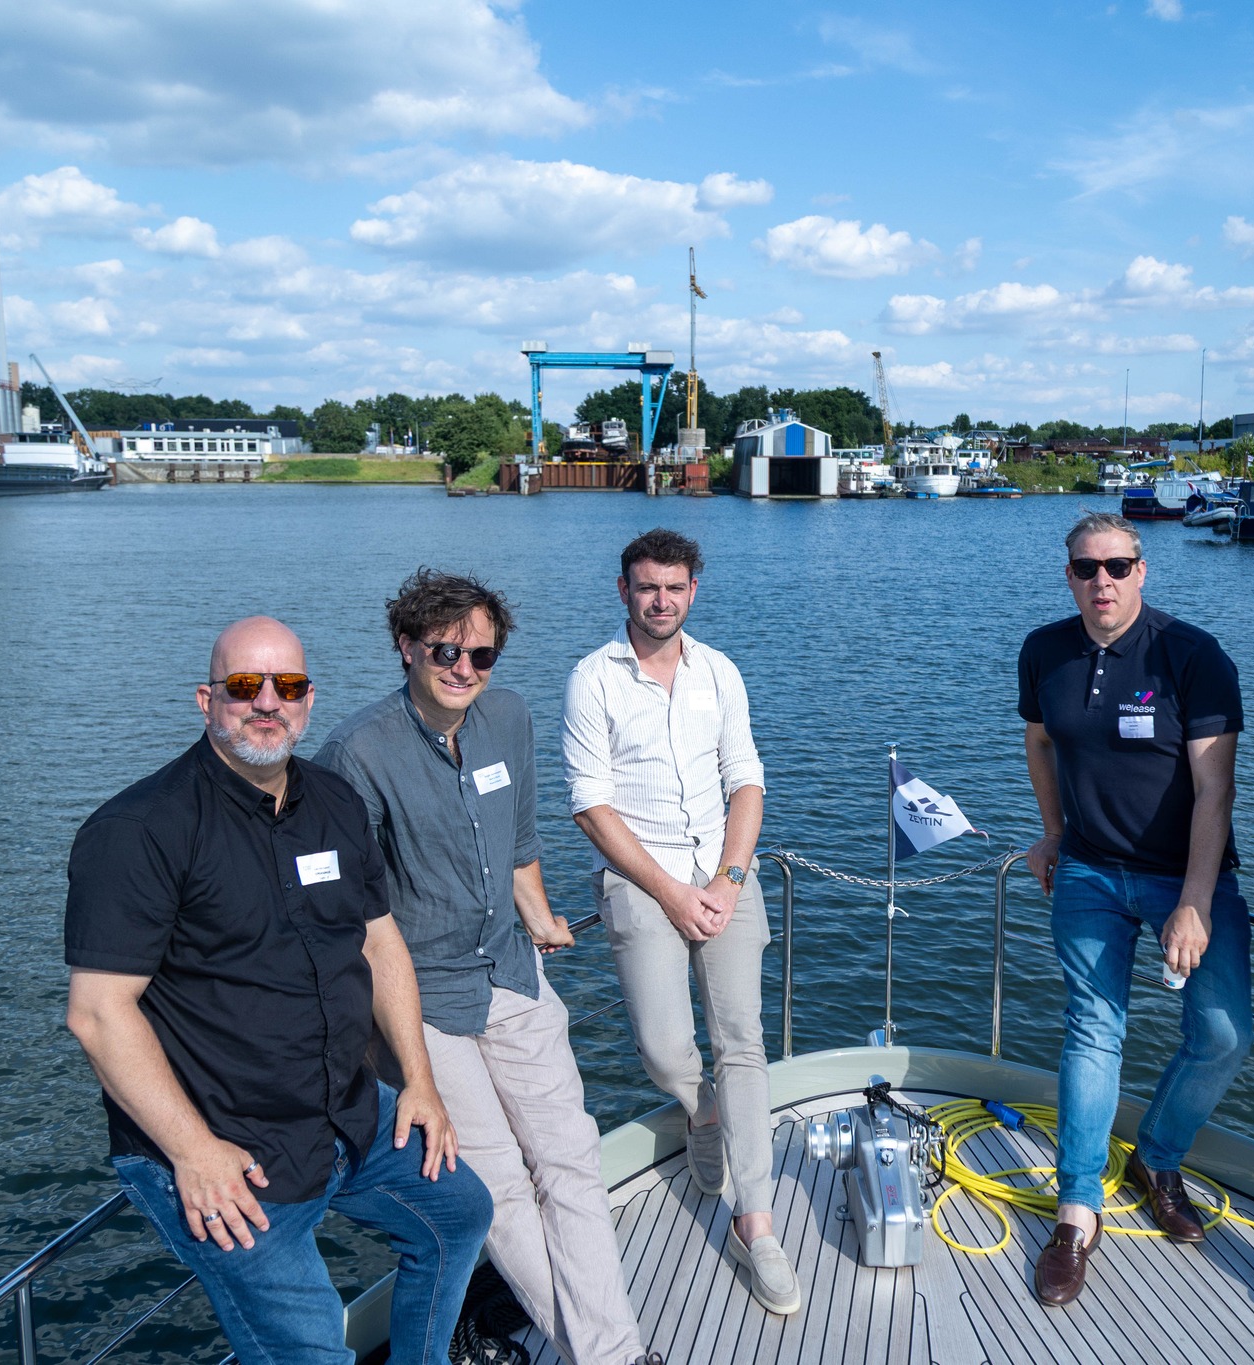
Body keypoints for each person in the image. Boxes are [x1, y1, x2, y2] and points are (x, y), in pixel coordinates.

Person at [63, 616, 492, 1365]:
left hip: (341, 1109)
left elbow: (379, 941)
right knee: (312, 1347)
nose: (267, 702)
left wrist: (419, 1082)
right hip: (224, 1142)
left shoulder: (335, 802)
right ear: (207, 699)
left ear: (308, 699)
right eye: (244, 686)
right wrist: (193, 1151)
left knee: (458, 1213)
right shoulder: (140, 829)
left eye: (287, 686)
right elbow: (99, 1014)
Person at [314, 570, 661, 1365]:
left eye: (482, 654)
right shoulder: (355, 755)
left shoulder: (508, 717)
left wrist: (539, 916)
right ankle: (612, 1356)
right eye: (446, 650)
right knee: (499, 1184)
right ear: (406, 647)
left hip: (512, 972)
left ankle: (608, 1351)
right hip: (424, 1003)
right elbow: (349, 920)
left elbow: (518, 844)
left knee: (572, 1160)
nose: (464, 668)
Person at [561, 528, 799, 1316]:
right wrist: (668, 891)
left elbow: (746, 780)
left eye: (674, 586)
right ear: (623, 591)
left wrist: (730, 878)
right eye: (647, 587)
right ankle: (700, 1106)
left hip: (722, 872)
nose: (660, 600)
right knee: (664, 1047)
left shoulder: (719, 671)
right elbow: (590, 805)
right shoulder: (592, 680)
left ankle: (756, 1223)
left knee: (743, 1042)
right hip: (642, 875)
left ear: (693, 589)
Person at [1018, 510, 1253, 1308]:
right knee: (1093, 1029)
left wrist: (1194, 900)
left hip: (1187, 876)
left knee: (1223, 1033)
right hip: (1088, 872)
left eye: (1117, 566)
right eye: (1087, 568)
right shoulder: (1044, 651)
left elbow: (1216, 787)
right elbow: (1040, 743)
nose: (1103, 581)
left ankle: (1157, 1154)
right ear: (1069, 576)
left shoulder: (1193, 654)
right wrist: (1054, 831)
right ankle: (1076, 1209)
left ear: (1142, 570)